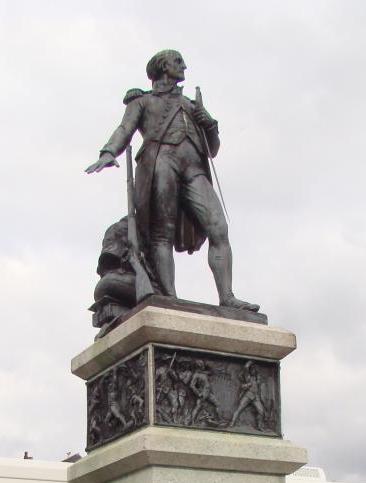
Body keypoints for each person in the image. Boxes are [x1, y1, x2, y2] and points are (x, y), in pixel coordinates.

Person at [85, 50, 258, 312]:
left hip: (194, 170)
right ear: (162, 68)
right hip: (160, 165)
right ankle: (169, 298)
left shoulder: (190, 105)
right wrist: (108, 152)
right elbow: (125, 130)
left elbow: (212, 149)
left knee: (218, 228)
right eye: (178, 62)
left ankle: (227, 296)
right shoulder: (142, 102)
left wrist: (209, 124)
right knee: (160, 236)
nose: (184, 66)